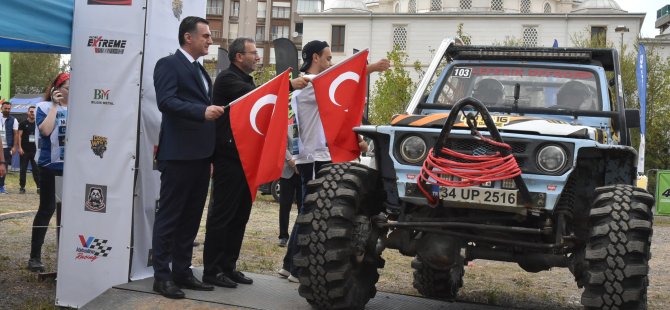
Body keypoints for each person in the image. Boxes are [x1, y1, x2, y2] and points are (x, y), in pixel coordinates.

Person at [203, 37, 309, 288]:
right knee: (223, 215)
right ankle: (212, 270)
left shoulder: (245, 79)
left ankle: (229, 267)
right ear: (239, 57)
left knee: (240, 215)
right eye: (254, 53)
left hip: (246, 158)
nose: (258, 57)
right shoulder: (228, 79)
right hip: (229, 158)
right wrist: (289, 85)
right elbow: (260, 95)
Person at [277, 40, 387, 282]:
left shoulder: (310, 83)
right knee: (312, 212)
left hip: (312, 156)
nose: (330, 63)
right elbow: (338, 77)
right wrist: (371, 68)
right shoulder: (308, 83)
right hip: (314, 156)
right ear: (315, 58)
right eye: (327, 58)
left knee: (308, 210)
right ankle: (297, 267)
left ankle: (290, 265)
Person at [151, 16, 224, 299]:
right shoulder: (169, 64)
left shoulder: (201, 71)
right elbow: (165, 101)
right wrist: (201, 112)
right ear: (188, 38)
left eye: (210, 36)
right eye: (205, 36)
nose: (210, 41)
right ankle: (162, 276)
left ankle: (182, 271)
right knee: (170, 216)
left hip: (201, 155)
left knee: (192, 217)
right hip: (178, 154)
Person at [27, 73, 70, 273]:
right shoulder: (43, 107)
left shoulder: (80, 108)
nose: (71, 92)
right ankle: (34, 257)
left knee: (70, 212)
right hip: (49, 166)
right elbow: (45, 131)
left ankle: (70, 256)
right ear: (56, 89)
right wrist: (54, 106)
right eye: (67, 87)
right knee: (47, 208)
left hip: (72, 168)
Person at [277, 139, 301, 247]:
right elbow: (282, 145)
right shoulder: (288, 123)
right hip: (287, 172)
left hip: (303, 171)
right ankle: (283, 236)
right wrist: (292, 162)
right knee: (284, 206)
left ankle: (300, 236)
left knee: (303, 207)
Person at [18, 106, 40, 194]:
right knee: (23, 169)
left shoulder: (38, 124)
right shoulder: (23, 123)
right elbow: (19, 136)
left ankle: (39, 187)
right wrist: (19, 147)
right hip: (24, 150)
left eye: (34, 112)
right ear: (28, 112)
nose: (32, 113)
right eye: (31, 111)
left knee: (36, 170)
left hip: (34, 151)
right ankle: (22, 187)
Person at [1, 100, 19, 194]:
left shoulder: (14, 120)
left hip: (7, 147)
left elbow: (16, 134)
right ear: (1, 108)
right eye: (5, 108)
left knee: (4, 167)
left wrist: (14, 147)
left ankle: (2, 186)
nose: (7, 110)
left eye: (9, 108)